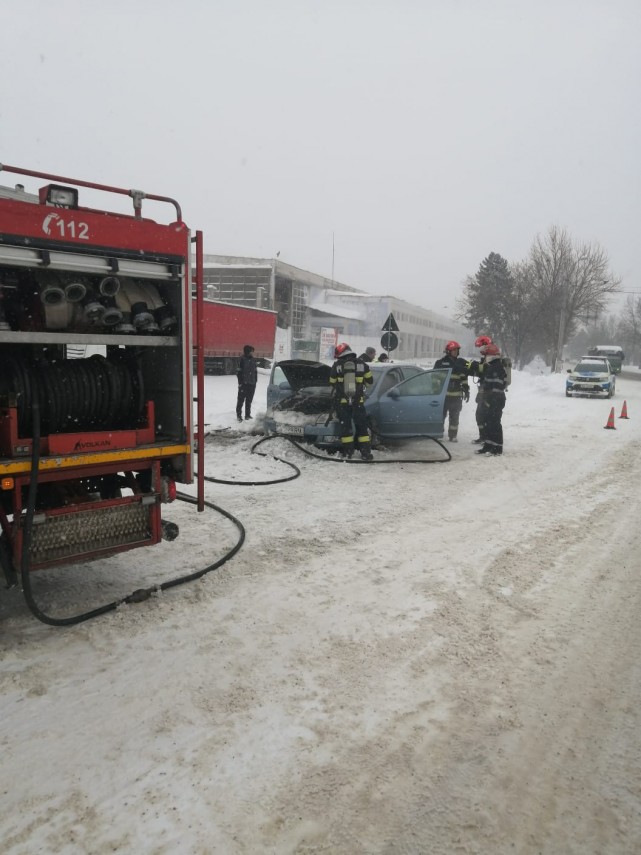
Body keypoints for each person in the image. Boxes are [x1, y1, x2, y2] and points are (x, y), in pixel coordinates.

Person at [329, 343, 374, 459]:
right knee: (362, 428)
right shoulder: (362, 364)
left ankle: (348, 453)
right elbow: (370, 382)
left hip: (343, 403)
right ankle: (366, 453)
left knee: (346, 429)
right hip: (358, 402)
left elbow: (332, 382)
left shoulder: (337, 365)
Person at [433, 341, 471, 442]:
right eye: (454, 350)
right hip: (443, 396)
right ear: (449, 351)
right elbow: (434, 378)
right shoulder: (440, 363)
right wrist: (435, 390)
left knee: (454, 417)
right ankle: (438, 433)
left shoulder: (461, 363)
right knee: (441, 416)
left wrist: (466, 390)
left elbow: (464, 377)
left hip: (456, 396)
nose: (456, 352)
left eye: (457, 350)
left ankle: (453, 435)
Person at [474, 343, 507, 455]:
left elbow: (497, 386)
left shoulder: (497, 366)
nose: (485, 356)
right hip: (490, 399)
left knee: (494, 423)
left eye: (486, 354)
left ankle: (497, 447)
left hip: (496, 399)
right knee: (487, 422)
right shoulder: (491, 366)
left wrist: (489, 397)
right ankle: (488, 445)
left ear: (492, 355)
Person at [471, 335, 493, 444]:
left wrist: (474, 365)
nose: (479, 350)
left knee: (485, 415)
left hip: (489, 392)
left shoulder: (491, 358)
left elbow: (485, 369)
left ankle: (487, 437)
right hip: (484, 390)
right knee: (480, 414)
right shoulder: (486, 358)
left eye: (481, 347)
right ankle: (483, 436)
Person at [236, 344, 257, 422]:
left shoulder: (253, 360)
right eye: (252, 351)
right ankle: (239, 416)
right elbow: (239, 372)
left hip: (252, 384)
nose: (253, 353)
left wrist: (255, 381)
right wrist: (240, 383)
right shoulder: (241, 359)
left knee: (249, 400)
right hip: (244, 384)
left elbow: (255, 371)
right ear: (248, 352)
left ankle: (247, 415)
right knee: (240, 400)